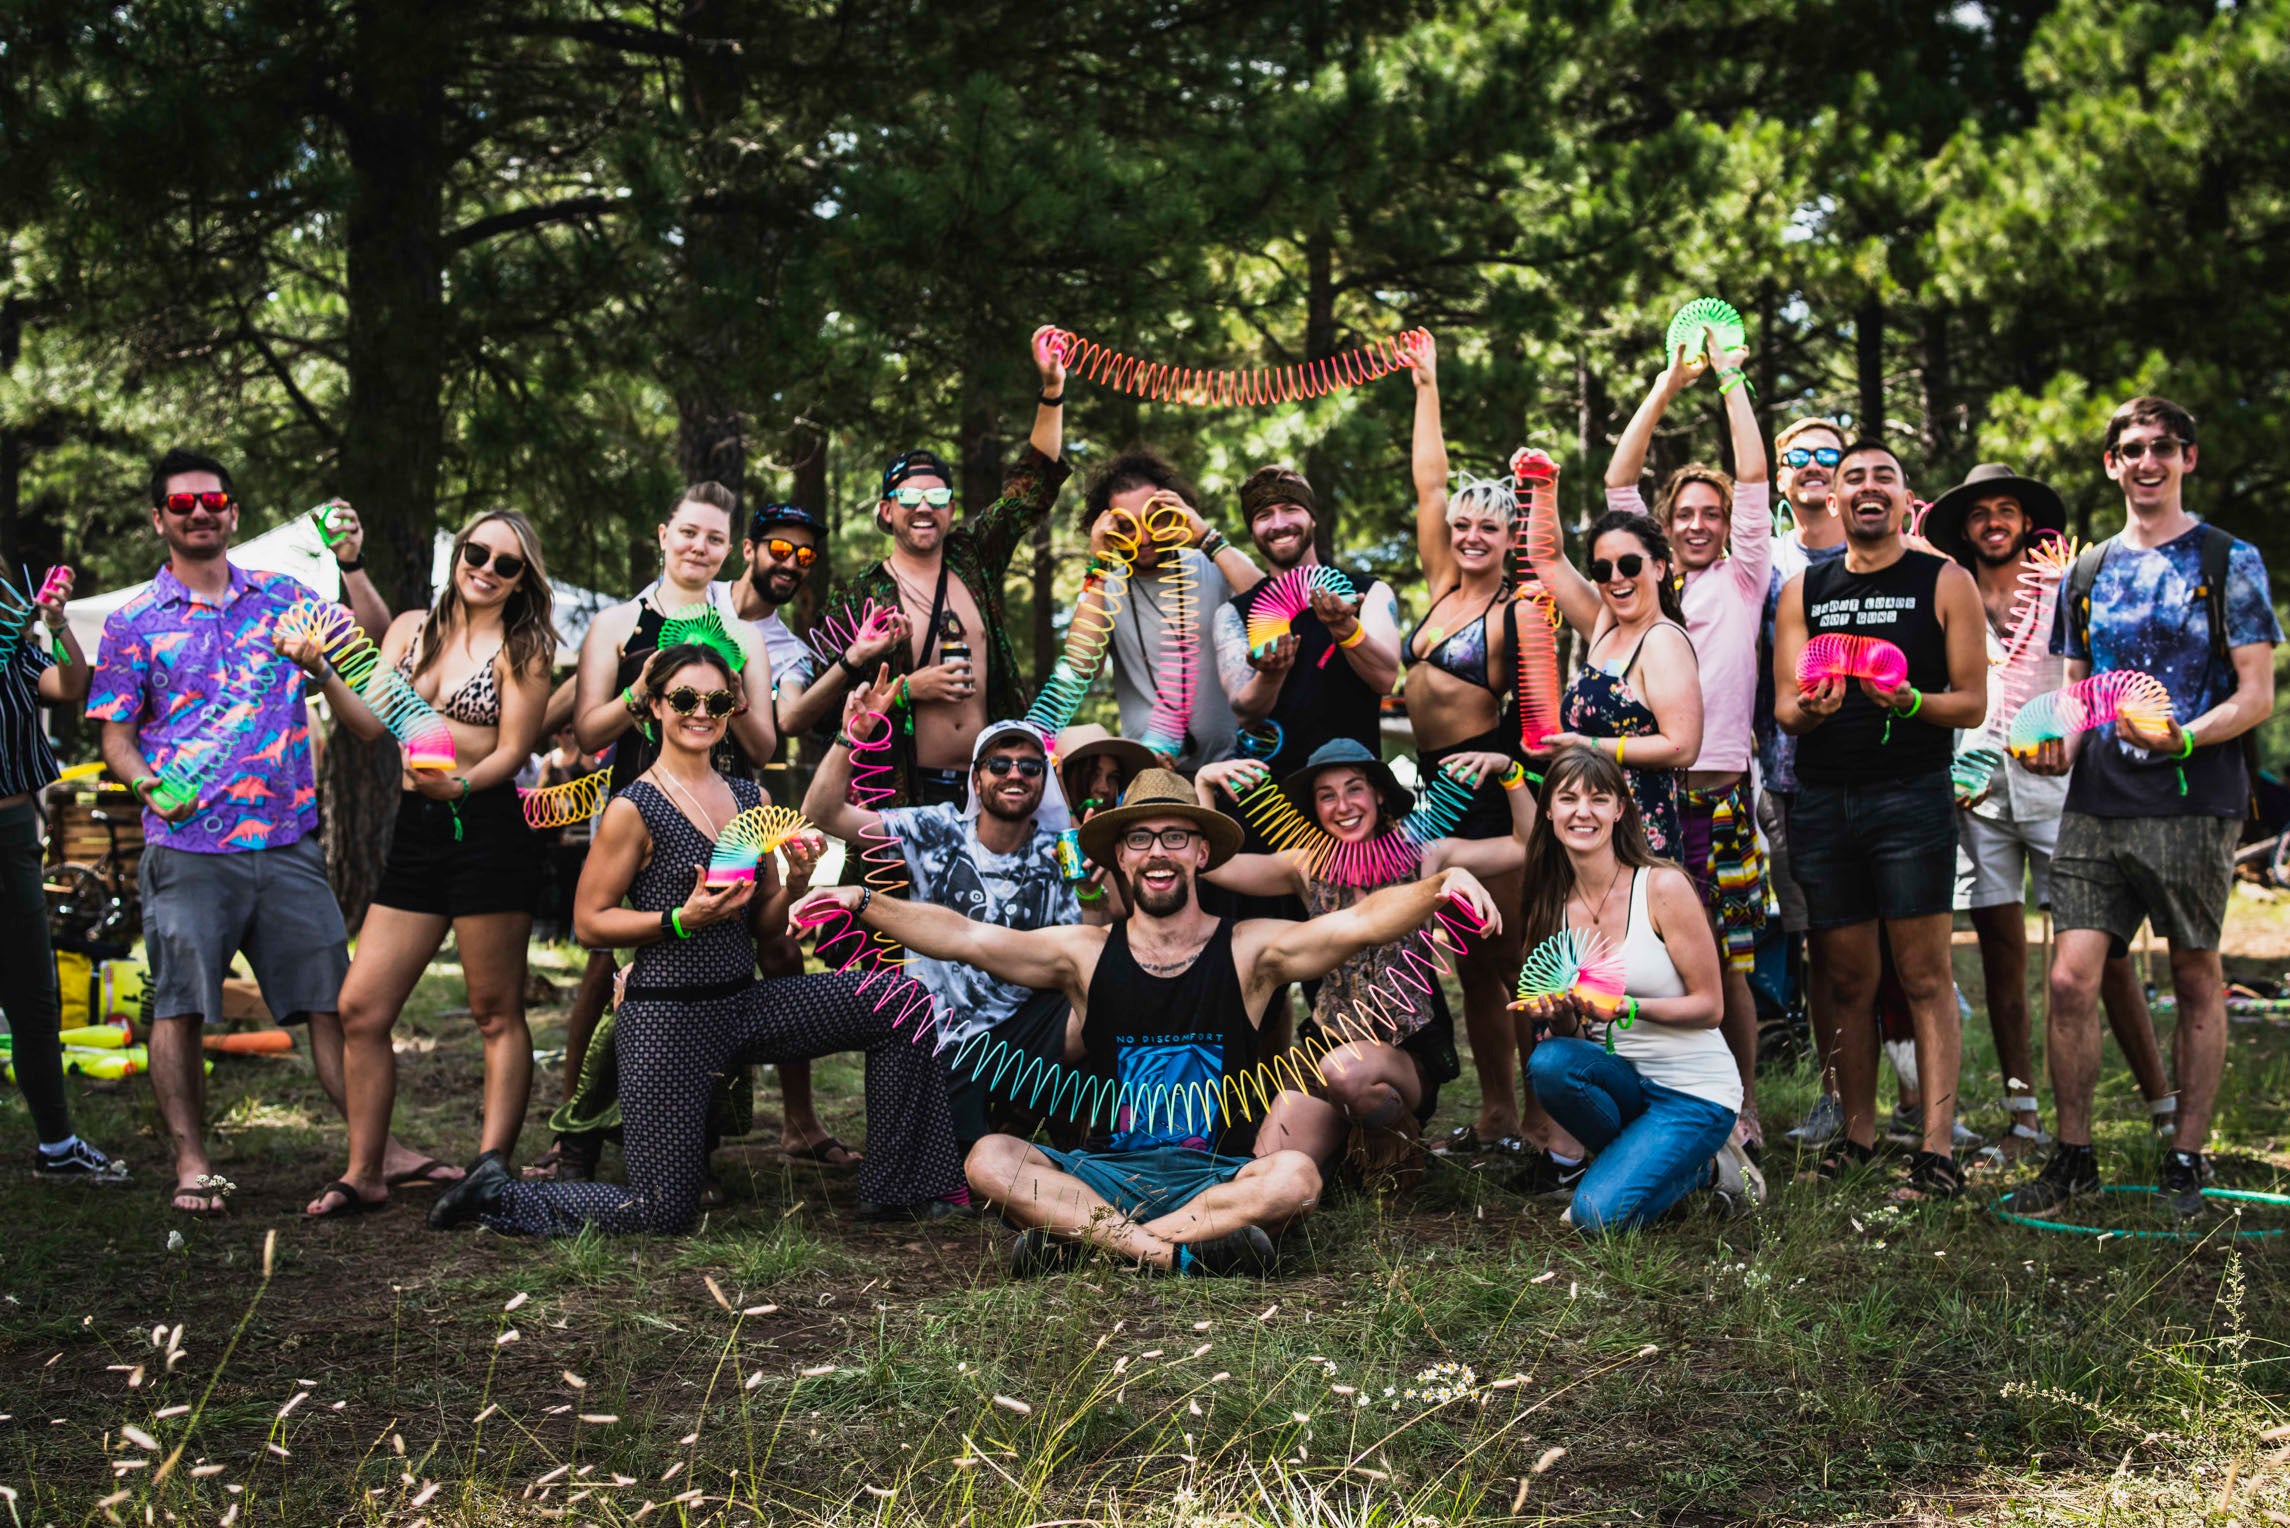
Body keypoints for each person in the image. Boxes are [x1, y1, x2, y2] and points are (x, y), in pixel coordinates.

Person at [790, 769, 1505, 1278]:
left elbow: (1355, 923)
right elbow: (963, 936)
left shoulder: (1250, 949)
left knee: (1291, 1178)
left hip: (1218, 1176)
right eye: (1138, 840)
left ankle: (1086, 1246)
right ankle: (1172, 1254)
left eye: (1173, 837)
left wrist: (1440, 886)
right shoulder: (1082, 954)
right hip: (1103, 1173)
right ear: (1116, 859)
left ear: (1201, 853)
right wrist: (859, 902)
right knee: (989, 1159)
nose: (1156, 852)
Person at [428, 642, 966, 1234]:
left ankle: (898, 1188)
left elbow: (763, 923)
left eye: (716, 700)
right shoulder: (635, 808)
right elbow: (588, 922)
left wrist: (798, 881)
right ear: (656, 706)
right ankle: (495, 1194)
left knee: (899, 1002)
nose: (701, 711)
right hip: (667, 1018)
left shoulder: (749, 798)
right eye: (684, 698)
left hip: (742, 1004)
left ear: (732, 708)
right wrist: (680, 920)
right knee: (660, 1211)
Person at [86, 449, 383, 1215]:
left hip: (286, 841)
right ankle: (192, 1162)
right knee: (180, 1005)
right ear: (159, 519)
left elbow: (375, 643)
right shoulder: (130, 624)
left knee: (331, 1002)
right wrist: (146, 782)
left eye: (211, 500)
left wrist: (347, 579)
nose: (199, 513)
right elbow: (115, 736)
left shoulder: (285, 596)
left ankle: (373, 1150)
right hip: (187, 850)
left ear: (233, 513)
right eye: (181, 505)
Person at [2017, 398, 2280, 1218]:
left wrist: (2186, 740)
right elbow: (2071, 693)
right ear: (2111, 465)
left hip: (2195, 801)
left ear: (2187, 459)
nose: (2147, 461)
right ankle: (2073, 1156)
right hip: (2097, 802)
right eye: (2131, 449)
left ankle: (2185, 1158)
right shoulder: (2089, 569)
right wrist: (2050, 740)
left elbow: (2257, 694)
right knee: (2069, 979)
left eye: (2163, 447)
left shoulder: (2227, 558)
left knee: (2197, 975)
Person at [294, 511, 557, 1217]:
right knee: (360, 1007)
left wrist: (465, 785)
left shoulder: (525, 644)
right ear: (458, 553)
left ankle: (491, 1169)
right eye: (479, 552)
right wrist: (322, 667)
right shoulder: (411, 628)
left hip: (489, 823)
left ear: (522, 579)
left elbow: (513, 750)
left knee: (493, 1010)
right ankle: (365, 1170)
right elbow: (367, 722)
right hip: (418, 828)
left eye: (509, 564)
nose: (489, 570)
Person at [1921, 463, 2175, 1163]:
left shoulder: (2069, 584)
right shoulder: (1949, 592)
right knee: (2001, 953)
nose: (1994, 522)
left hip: (2061, 785)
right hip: (1977, 787)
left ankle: (2162, 1105)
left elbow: (2104, 676)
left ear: (2027, 522)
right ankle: (2024, 1114)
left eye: (2007, 510)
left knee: (2101, 951)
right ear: (1965, 528)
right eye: (1980, 513)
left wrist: (2078, 740)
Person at [531, 482, 777, 1185]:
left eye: (716, 539)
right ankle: (575, 1133)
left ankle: (694, 1126)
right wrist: (644, 691)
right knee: (607, 966)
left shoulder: (745, 634)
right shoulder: (615, 624)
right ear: (664, 535)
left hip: (725, 810)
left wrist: (727, 686)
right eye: (689, 533)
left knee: (724, 957)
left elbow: (761, 742)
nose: (700, 547)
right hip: (643, 800)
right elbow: (585, 731)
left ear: (731, 551)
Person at [1771, 440, 1988, 1201]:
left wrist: (1912, 703)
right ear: (1833, 500)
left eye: (1883, 478)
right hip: (1826, 802)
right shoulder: (1805, 588)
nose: (1868, 488)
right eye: (1853, 478)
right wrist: (1811, 707)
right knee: (1850, 979)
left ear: (1904, 500)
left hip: (1911, 796)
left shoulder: (1944, 580)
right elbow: (1784, 711)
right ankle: (1858, 1136)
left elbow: (1972, 701)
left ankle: (1935, 1151)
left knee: (1925, 976)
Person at [1194, 742, 1533, 1186]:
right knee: (1262, 1169)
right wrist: (1203, 785)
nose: (1343, 805)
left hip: (1405, 1053)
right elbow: (1211, 865)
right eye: (1327, 795)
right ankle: (1345, 1147)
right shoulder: (1305, 864)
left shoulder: (1425, 853)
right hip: (1325, 1048)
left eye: (1355, 789)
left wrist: (1509, 771)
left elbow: (1525, 845)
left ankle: (1399, 1151)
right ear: (1314, 808)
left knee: (1347, 1074)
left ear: (1378, 794)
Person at [1602, 326, 1773, 1154]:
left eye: (1713, 515)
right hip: (1641, 801)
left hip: (1711, 797)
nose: (1701, 524)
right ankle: (1649, 1105)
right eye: (1686, 516)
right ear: (1665, 531)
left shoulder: (1743, 578)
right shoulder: (1642, 586)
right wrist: (1671, 381)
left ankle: (1735, 1109)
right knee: (1646, 961)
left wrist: (1731, 377)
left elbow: (1753, 476)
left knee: (1725, 964)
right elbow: (1618, 479)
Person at [803, 688, 1086, 1147]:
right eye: (999, 764)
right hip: (942, 1036)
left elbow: (1090, 942)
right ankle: (999, 1120)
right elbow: (823, 813)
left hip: (1025, 1030)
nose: (1015, 773)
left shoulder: (1059, 853)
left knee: (1099, 999)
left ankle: (1080, 1134)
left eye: (1031, 767)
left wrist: (1092, 876)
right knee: (963, 1173)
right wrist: (849, 736)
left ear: (1043, 782)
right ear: (976, 780)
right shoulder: (937, 829)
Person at [1397, 335, 1550, 1167]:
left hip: (1487, 782)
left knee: (1515, 958)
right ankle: (1493, 1114)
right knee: (1470, 966)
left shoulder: (1514, 609)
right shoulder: (1442, 587)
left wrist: (1516, 772)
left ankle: (1539, 1120)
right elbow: (1429, 478)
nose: (1468, 535)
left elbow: (1534, 718)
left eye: (1487, 525)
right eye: (1461, 524)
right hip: (1430, 786)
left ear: (1507, 534)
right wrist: (1426, 384)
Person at [817, 329, 1070, 808]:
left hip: (992, 788)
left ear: (952, 510)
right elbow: (821, 706)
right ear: (886, 511)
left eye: (937, 497)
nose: (923, 507)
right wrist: (910, 688)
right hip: (903, 793)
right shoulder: (860, 595)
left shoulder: (973, 559)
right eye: (909, 497)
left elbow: (1031, 484)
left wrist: (1052, 390)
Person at [726, 498, 906, 1167]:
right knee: (611, 962)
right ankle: (577, 1132)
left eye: (805, 557)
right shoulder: (696, 599)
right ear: (748, 548)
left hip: (738, 802)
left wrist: (853, 659)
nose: (792, 564)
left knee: (775, 945)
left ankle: (798, 1122)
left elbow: (793, 718)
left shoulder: (787, 648)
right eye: (780, 548)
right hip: (651, 786)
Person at [1513, 747, 1756, 1231]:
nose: (1583, 811)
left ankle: (1714, 1167)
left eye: (1599, 799)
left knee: (1594, 1216)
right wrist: (1559, 1013)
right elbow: (1577, 1036)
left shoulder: (1662, 887)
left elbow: (1710, 1007)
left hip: (1694, 1091)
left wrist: (1626, 1005)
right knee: (1548, 1061)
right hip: (1626, 1084)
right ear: (1548, 809)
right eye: (1568, 798)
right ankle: (1657, 1166)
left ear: (1620, 810)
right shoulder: (1551, 905)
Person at [2, 559, 122, 1179]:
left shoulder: (16, 658)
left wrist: (57, 624)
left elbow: (74, 687)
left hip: (12, 833)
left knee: (32, 993)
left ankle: (56, 1145)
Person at [1519, 459, 1703, 856]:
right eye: (1603, 570)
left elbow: (1682, 747)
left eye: (1629, 564)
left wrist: (1587, 744)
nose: (1616, 577)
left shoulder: (1662, 641)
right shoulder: (1606, 624)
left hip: (1635, 839)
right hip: (1587, 832)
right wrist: (1545, 484)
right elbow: (1547, 559)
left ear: (1658, 567)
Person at [1760, 418, 1851, 1146]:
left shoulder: (1883, 554)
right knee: (1820, 942)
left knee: (1894, 945)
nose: (1815, 467)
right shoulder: (1763, 561)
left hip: (1883, 777)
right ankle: (1836, 1093)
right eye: (1800, 456)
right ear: (1781, 473)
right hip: (1789, 781)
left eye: (1831, 455)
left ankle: (1917, 1093)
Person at [1210, 466, 1402, 781]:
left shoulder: (1367, 593)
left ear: (1312, 517)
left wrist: (1345, 628)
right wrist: (1271, 676)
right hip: (1275, 800)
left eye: (1290, 509)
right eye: (1264, 516)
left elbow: (1385, 678)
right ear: (1252, 530)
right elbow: (1244, 712)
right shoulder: (1234, 614)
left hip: (1354, 791)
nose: (1279, 524)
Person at [1074, 449, 1260, 773]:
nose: (1144, 538)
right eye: (1127, 526)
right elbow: (1083, 667)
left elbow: (1272, 601)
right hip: (1152, 773)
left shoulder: (1212, 566)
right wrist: (1097, 565)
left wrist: (1206, 536)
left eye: (1154, 520)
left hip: (1232, 766)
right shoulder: (1103, 589)